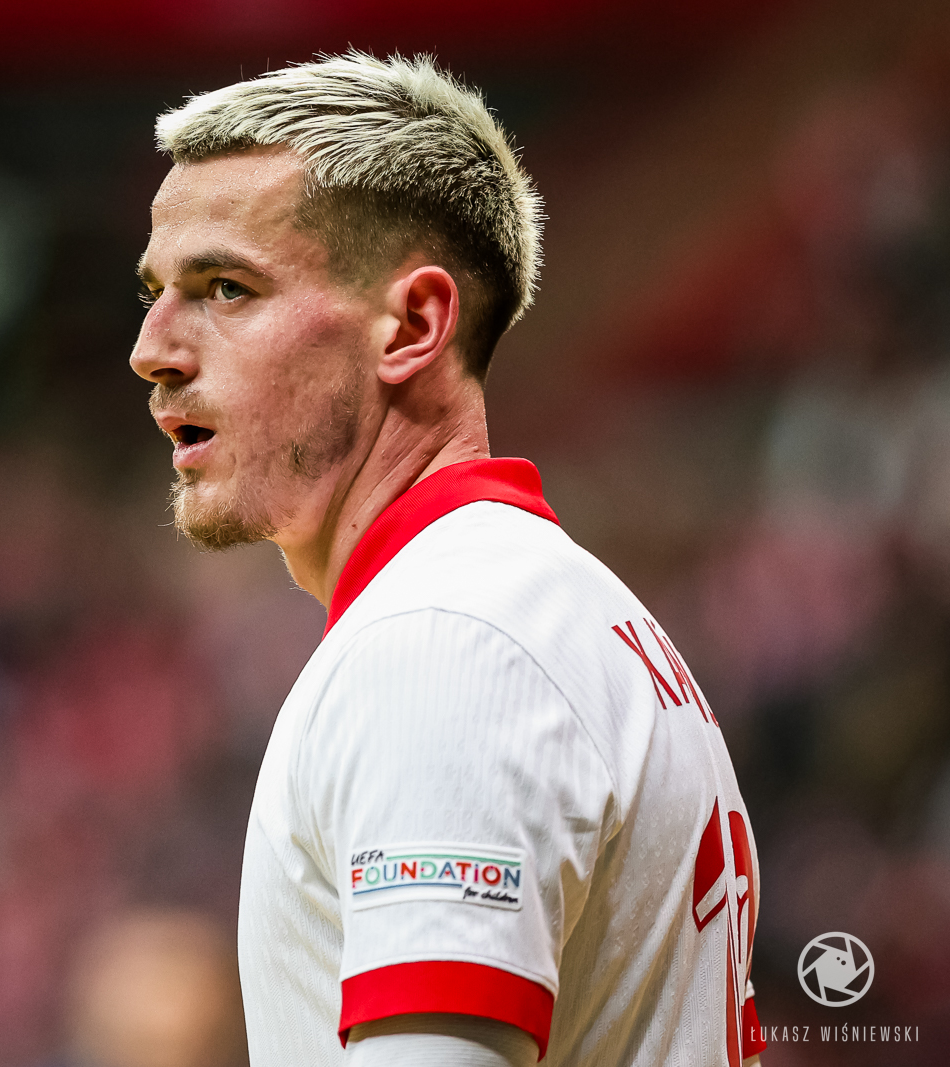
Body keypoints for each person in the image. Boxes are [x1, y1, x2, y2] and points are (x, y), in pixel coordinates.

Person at [128, 53, 766, 1067]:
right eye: (156, 292)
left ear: (414, 324)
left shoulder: (444, 642)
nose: (152, 348)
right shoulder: (543, 606)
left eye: (225, 287)